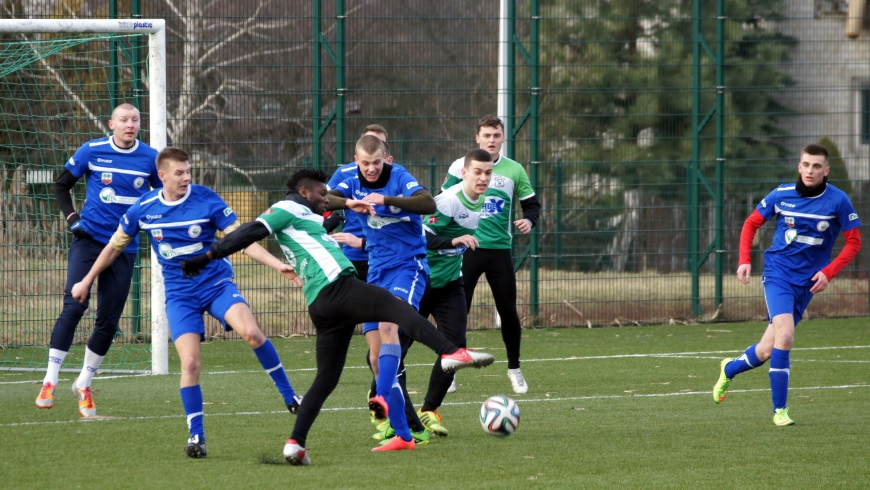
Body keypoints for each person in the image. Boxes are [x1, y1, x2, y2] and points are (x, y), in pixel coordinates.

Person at [178, 168, 494, 464]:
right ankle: (451, 351)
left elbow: (325, 224)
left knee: (326, 378)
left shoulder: (308, 216)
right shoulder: (286, 209)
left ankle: (296, 443)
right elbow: (248, 232)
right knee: (394, 308)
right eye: (320, 194)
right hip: (336, 288)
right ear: (304, 191)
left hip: (321, 305)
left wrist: (350, 213)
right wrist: (208, 256)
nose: (325, 199)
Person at [69, 148, 303, 458]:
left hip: (216, 284)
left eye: (188, 171)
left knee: (251, 333)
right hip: (180, 296)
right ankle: (196, 437)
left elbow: (241, 239)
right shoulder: (145, 208)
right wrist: (86, 280)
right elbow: (114, 247)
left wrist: (278, 265)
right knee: (190, 363)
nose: (186, 177)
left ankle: (290, 397)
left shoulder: (206, 199)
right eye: (179, 173)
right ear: (162, 176)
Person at [713, 143, 861, 426]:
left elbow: (854, 243)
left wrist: (828, 273)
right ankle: (779, 411)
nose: (810, 170)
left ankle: (728, 369)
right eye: (805, 164)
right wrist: (744, 259)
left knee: (767, 350)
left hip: (807, 284)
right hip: (778, 275)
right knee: (786, 337)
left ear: (826, 171)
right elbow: (751, 223)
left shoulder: (838, 201)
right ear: (799, 166)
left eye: (816, 166)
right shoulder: (781, 195)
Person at [36, 103, 161, 417]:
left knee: (108, 321)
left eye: (134, 119)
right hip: (89, 241)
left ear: (139, 124)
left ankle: (84, 383)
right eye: (123, 119)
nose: (129, 124)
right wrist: (72, 218)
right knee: (75, 303)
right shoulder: (92, 150)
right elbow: (61, 184)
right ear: (112, 124)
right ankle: (50, 380)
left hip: (123, 248)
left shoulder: (151, 158)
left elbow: (162, 198)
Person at [330, 134, 438, 448]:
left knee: (391, 325)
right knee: (376, 356)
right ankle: (404, 435)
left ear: (386, 159)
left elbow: (427, 203)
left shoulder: (400, 177)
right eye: (365, 163)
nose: (371, 169)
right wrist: (351, 203)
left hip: (408, 265)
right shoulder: (352, 181)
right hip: (376, 269)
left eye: (376, 163)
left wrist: (385, 200)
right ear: (356, 162)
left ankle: (380, 394)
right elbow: (326, 198)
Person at [442, 115, 541, 394]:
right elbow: (443, 204)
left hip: (499, 251)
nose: (491, 140)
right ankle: (450, 370)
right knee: (457, 313)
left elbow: (532, 205)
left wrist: (529, 220)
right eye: (486, 135)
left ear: (503, 138)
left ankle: (515, 369)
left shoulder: (514, 170)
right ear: (478, 138)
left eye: (496, 135)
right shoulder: (459, 166)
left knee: (508, 311)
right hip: (467, 249)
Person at [412, 148, 493, 437]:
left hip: (450, 284)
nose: (483, 178)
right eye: (478, 172)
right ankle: (383, 409)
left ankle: (428, 411)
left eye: (488, 173)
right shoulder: (447, 201)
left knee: (456, 348)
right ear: (464, 173)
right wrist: (453, 240)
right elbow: (420, 235)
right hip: (421, 282)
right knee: (397, 348)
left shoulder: (481, 198)